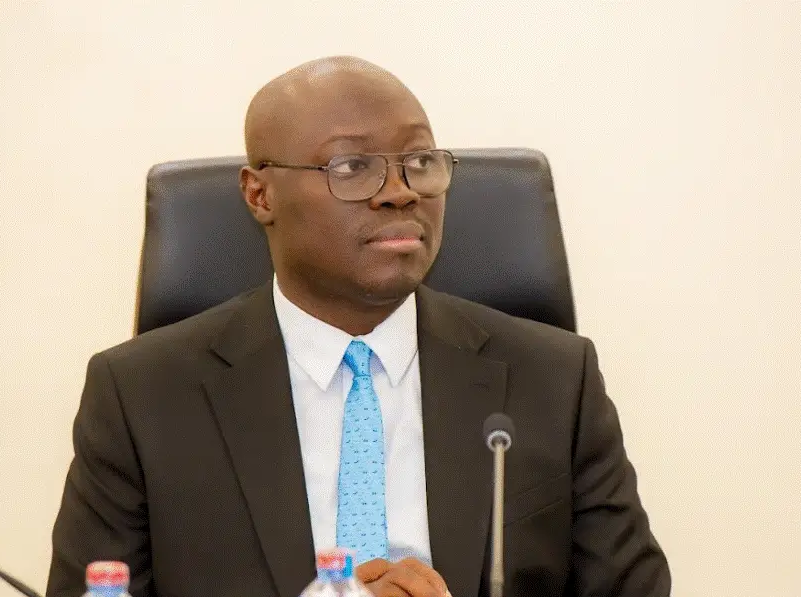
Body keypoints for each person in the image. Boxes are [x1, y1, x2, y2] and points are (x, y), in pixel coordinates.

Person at [46, 56, 670, 597]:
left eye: (419, 161)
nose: (400, 192)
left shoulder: (553, 380)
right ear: (260, 195)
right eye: (350, 167)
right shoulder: (141, 397)